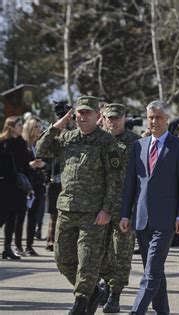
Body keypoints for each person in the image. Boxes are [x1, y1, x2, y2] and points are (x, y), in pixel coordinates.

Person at [36, 96, 122, 314]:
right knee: (63, 259)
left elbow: (115, 180)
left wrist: (107, 210)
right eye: (79, 113)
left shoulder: (106, 142)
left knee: (87, 260)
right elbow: (41, 149)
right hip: (66, 208)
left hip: (93, 213)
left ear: (97, 116)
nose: (82, 117)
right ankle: (93, 291)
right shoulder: (67, 139)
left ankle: (81, 301)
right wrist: (57, 126)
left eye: (87, 113)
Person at [119, 100, 179, 315]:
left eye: (158, 117)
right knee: (154, 270)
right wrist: (125, 214)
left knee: (151, 272)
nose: (154, 121)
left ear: (167, 119)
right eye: (151, 117)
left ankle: (136, 311)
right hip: (141, 219)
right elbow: (131, 184)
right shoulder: (138, 146)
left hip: (167, 219)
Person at [99, 103, 141, 313]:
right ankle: (104, 285)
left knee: (121, 253)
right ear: (103, 118)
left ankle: (115, 294)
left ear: (124, 118)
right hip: (99, 207)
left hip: (125, 207)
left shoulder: (135, 142)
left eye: (116, 117)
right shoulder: (98, 139)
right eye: (109, 117)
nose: (113, 121)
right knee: (99, 252)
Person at [0, 116, 31, 260]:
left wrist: (32, 166)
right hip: (4, 185)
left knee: (12, 218)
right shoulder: (3, 142)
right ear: (11, 126)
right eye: (19, 125)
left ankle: (7, 248)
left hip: (18, 187)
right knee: (1, 217)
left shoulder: (22, 143)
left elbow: (25, 164)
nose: (22, 127)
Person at [17, 117, 47, 256]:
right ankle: (18, 245)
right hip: (25, 185)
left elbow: (49, 162)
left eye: (40, 127)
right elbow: (17, 165)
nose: (39, 129)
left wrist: (43, 164)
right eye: (36, 126)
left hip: (38, 184)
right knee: (20, 216)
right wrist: (29, 165)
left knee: (33, 216)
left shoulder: (40, 144)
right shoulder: (22, 144)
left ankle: (29, 246)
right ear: (29, 128)